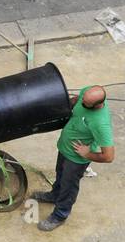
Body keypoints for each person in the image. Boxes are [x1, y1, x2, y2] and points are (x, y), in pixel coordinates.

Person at [32, 84, 114, 232]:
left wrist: (87, 154)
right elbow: (75, 100)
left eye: (86, 103)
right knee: (60, 174)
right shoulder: (86, 95)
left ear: (98, 105)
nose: (82, 102)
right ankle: (54, 195)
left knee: (69, 186)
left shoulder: (100, 123)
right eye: (83, 99)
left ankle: (59, 215)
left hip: (76, 159)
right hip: (65, 148)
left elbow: (109, 156)